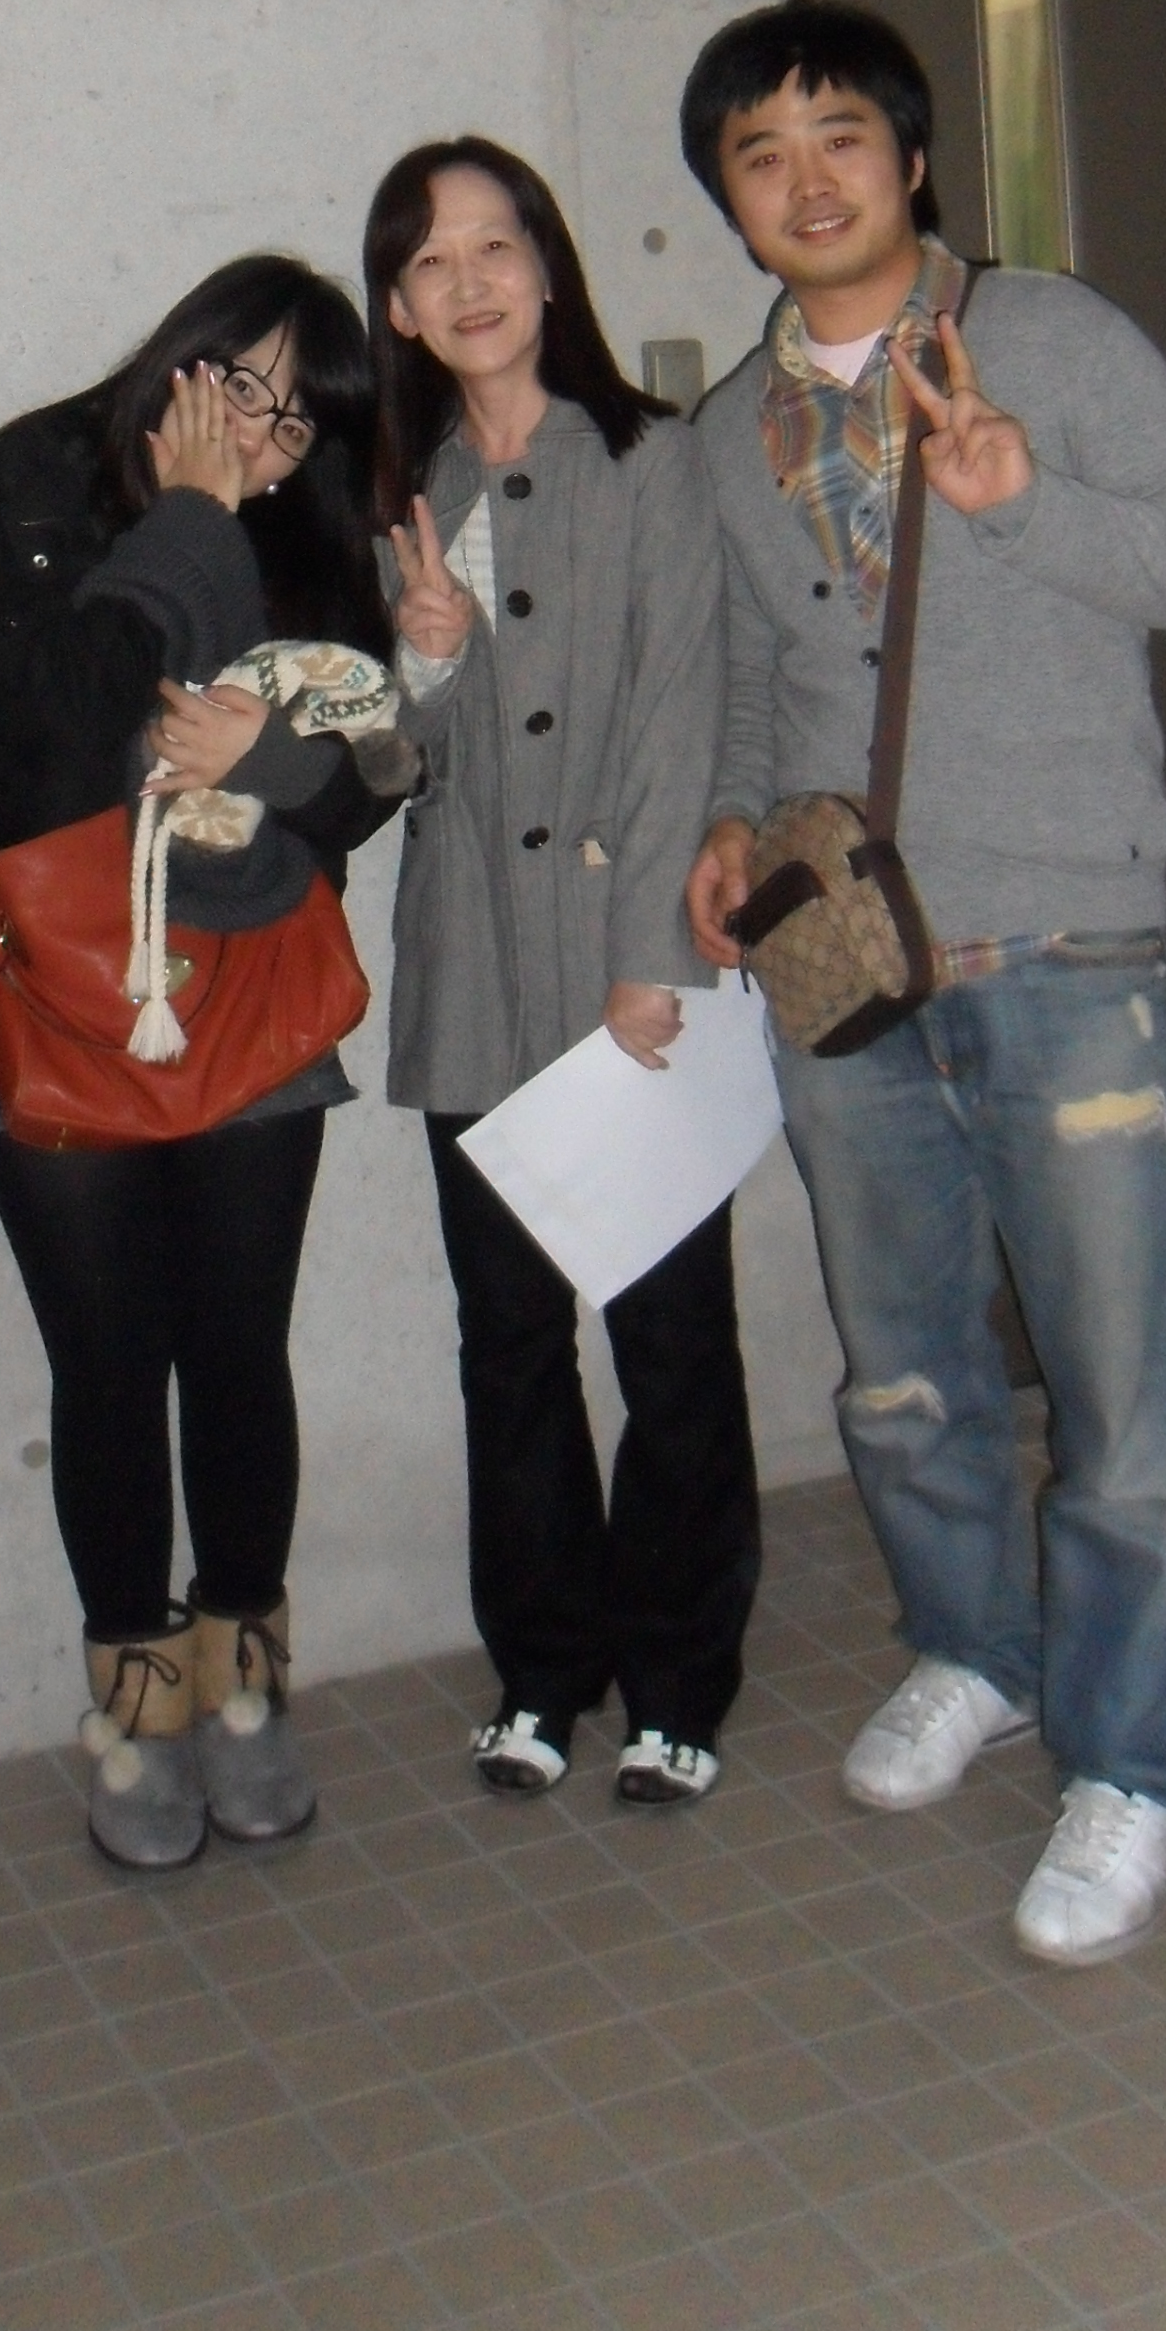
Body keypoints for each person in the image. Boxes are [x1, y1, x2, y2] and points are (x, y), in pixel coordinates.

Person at [680, 0, 1166, 1966]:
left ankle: (1142, 1763)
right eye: (762, 154)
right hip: (848, 970)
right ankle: (978, 1654)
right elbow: (758, 675)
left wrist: (1028, 502)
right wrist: (734, 826)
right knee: (904, 1368)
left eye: (840, 134)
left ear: (913, 160)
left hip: (1069, 945)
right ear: (732, 202)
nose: (807, 178)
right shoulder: (728, 434)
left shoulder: (1055, 338)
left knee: (1123, 1392)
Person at [0, 256, 407, 1872]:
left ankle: (247, 1685)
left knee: (236, 1349)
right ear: (181, 358)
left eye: (299, 423)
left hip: (254, 988)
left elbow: (369, 781)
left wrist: (268, 759)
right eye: (244, 388)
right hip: (63, 990)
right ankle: (135, 1710)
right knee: (108, 1364)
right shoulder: (26, 485)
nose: (264, 438)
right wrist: (196, 521)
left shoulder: (319, 533)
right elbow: (40, 738)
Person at [362, 136, 760, 1809]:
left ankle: (678, 1681)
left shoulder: (651, 461)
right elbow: (402, 768)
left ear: (547, 263)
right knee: (509, 1342)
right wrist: (424, 661)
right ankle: (542, 1671)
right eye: (431, 260)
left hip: (622, 972)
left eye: (496, 245)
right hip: (472, 973)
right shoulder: (412, 496)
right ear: (399, 304)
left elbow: (687, 714)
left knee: (670, 1343)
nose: (470, 281)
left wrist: (650, 960)